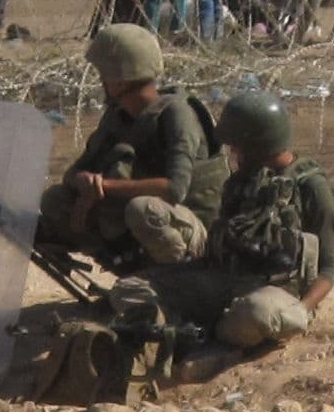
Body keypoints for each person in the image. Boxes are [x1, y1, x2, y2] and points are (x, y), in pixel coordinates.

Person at [114, 89, 334, 382]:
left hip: (273, 292)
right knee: (126, 291)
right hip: (221, 275)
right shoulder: (244, 179)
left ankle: (216, 333)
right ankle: (184, 329)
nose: (232, 154)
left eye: (237, 147)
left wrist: (302, 309)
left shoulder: (312, 187)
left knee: (262, 314)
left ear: (257, 145)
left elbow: (329, 268)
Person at [37, 24, 221, 271]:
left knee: (144, 210)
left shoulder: (178, 116)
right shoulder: (118, 115)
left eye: (103, 74)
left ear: (120, 80)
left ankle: (172, 285)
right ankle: (124, 266)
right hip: (140, 220)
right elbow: (76, 170)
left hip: (190, 228)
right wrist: (83, 182)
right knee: (55, 200)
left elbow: (175, 189)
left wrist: (104, 187)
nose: (100, 81)